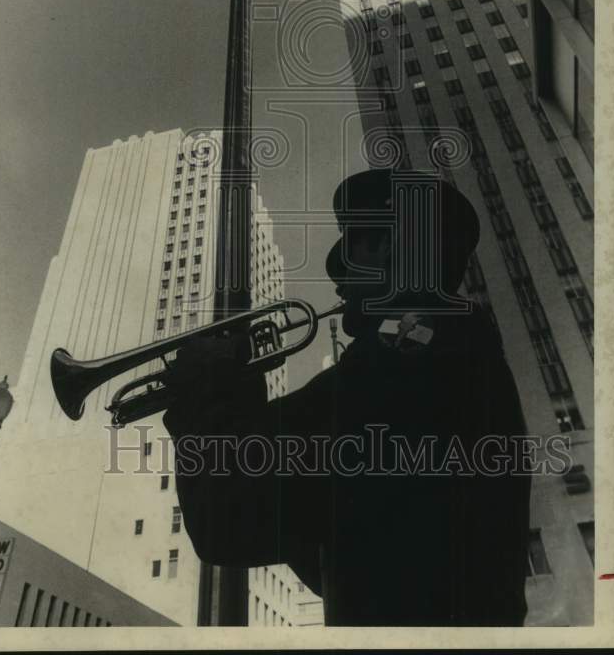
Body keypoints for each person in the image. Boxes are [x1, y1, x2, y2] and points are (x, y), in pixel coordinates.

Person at [162, 168, 531, 626]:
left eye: (351, 255)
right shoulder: (452, 349)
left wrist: (202, 389)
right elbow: (329, 556)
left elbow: (226, 520)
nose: (337, 282)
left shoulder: (408, 356)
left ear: (396, 250)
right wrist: (237, 398)